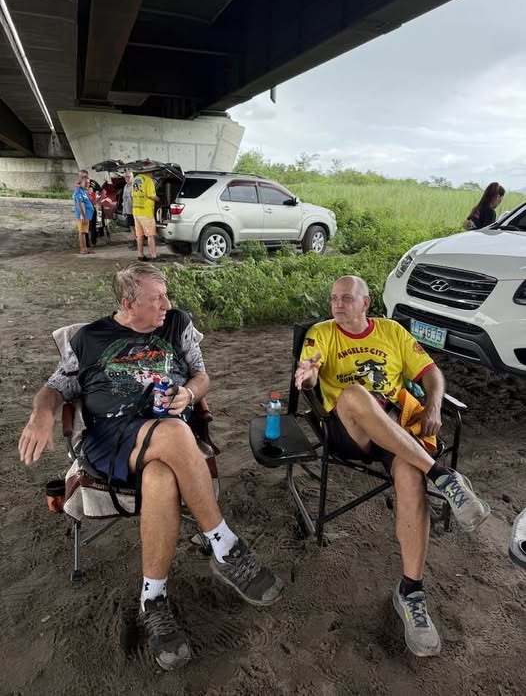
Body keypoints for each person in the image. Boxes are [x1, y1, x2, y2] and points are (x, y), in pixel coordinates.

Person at [18, 262, 283, 670]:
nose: (167, 304)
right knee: (175, 434)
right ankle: (225, 546)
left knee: (161, 475)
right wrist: (41, 414)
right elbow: (55, 388)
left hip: (167, 440)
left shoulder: (176, 325)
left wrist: (189, 394)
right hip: (112, 440)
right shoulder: (89, 339)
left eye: (166, 295)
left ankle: (152, 598)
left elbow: (202, 376)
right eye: (156, 298)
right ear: (128, 304)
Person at [295, 275, 491, 658]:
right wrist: (309, 374)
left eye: (346, 298)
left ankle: (411, 591)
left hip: (395, 426)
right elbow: (312, 367)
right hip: (348, 429)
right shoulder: (321, 333)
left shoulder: (392, 332)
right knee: (355, 393)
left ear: (366, 302)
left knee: (409, 476)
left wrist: (433, 405)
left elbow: (431, 373)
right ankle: (442, 475)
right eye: (333, 298)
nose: (337, 305)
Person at [132, 170, 159, 261]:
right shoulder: (148, 180)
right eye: (152, 173)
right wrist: (160, 199)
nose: (153, 175)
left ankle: (141, 256)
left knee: (139, 235)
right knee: (150, 235)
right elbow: (151, 195)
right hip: (146, 212)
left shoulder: (136, 179)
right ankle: (154, 256)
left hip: (136, 211)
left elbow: (133, 194)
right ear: (149, 172)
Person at [73, 175, 94, 255]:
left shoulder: (83, 191)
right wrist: (84, 216)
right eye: (85, 183)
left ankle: (85, 248)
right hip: (82, 216)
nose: (87, 184)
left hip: (86, 216)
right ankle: (82, 249)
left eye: (88, 183)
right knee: (82, 232)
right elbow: (80, 204)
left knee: (84, 232)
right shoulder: (78, 191)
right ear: (81, 183)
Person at [122, 169, 136, 250]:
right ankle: (135, 241)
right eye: (125, 177)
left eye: (128, 177)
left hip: (134, 210)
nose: (127, 178)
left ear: (132, 177)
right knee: (131, 226)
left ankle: (137, 242)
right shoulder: (126, 186)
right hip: (128, 210)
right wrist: (124, 211)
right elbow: (124, 199)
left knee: (135, 227)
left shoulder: (135, 186)